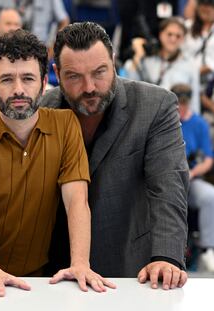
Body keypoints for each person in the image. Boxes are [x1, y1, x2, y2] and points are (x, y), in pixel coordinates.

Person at [0, 29, 115, 297]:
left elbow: (77, 201)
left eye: (28, 78)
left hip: (35, 283)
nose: (18, 89)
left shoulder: (66, 125)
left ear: (43, 82)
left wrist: (80, 264)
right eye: (6, 79)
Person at [40, 22, 189, 290]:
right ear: (57, 73)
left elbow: (169, 186)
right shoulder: (42, 109)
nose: (89, 87)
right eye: (74, 76)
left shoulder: (156, 105)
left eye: (99, 73)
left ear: (113, 61)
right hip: (53, 272)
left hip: (132, 269)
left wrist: (166, 257)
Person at [171, 83, 214, 272]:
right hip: (168, 179)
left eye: (184, 104)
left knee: (210, 196)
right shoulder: (164, 120)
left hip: (191, 178)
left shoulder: (198, 123)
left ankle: (207, 249)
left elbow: (208, 158)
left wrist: (192, 173)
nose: (181, 108)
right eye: (178, 104)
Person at [123, 16, 200, 114]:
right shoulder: (148, 59)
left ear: (183, 39)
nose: (173, 39)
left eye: (178, 36)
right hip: (147, 116)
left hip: (176, 119)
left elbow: (194, 103)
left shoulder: (191, 66)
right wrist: (137, 56)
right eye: (169, 34)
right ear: (161, 34)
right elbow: (130, 88)